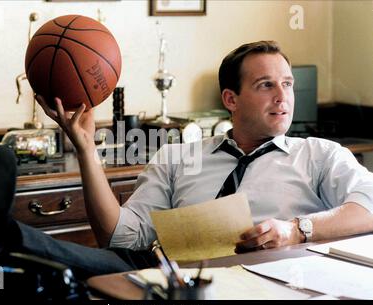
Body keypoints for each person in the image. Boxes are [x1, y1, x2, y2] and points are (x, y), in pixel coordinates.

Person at [36, 40, 373, 254]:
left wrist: (296, 230)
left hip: (272, 287)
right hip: (182, 290)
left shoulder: (320, 155)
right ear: (231, 99)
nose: (282, 97)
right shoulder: (176, 158)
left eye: (287, 84)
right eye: (266, 85)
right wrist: (86, 151)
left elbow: (369, 206)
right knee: (66, 265)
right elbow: (121, 237)